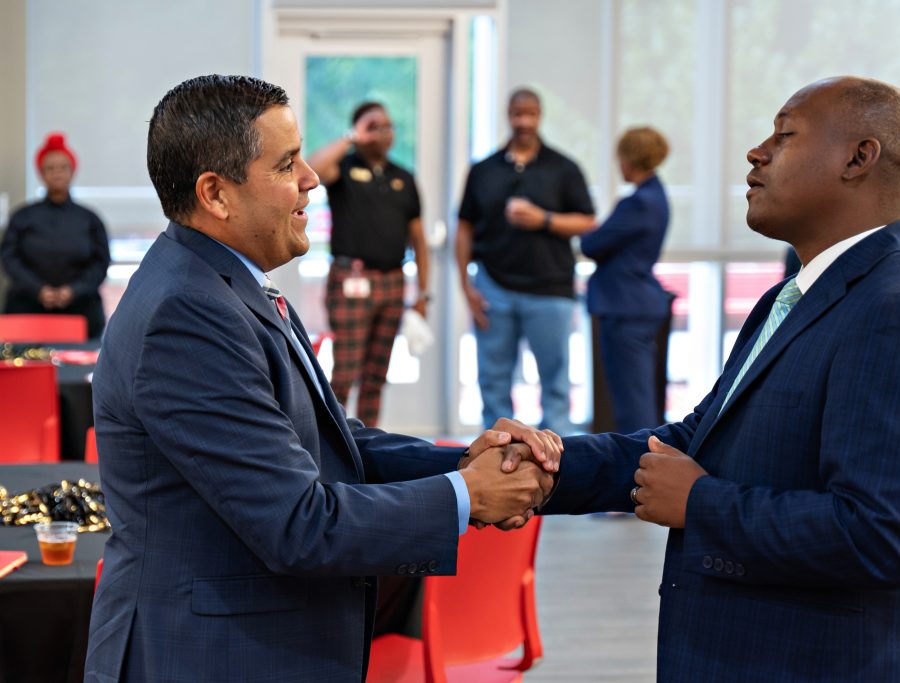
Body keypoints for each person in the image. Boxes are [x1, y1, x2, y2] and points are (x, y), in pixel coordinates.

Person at [84, 75, 560, 683]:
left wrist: (466, 463)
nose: (311, 178)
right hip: (210, 655)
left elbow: (335, 441)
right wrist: (469, 495)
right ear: (216, 194)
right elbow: (299, 524)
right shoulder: (187, 311)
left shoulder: (221, 281)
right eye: (287, 165)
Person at [536, 77, 900, 681]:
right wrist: (543, 465)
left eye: (785, 135)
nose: (756, 151)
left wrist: (701, 503)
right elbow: (693, 443)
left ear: (858, 158)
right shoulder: (788, 299)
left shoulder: (898, 311)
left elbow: (880, 536)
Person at [456, 88, 596, 436]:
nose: (524, 121)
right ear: (508, 115)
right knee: (492, 380)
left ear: (540, 115)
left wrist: (543, 219)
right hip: (494, 288)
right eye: (518, 113)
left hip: (550, 290)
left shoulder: (563, 168)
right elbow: (464, 229)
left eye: (530, 113)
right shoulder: (483, 170)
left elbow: (587, 220)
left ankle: (559, 460)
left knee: (555, 382)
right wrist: (466, 286)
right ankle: (498, 452)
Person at [308, 102, 429, 427]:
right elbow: (312, 169)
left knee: (377, 375)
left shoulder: (403, 177)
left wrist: (422, 294)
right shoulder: (343, 168)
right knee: (345, 373)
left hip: (393, 280)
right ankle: (331, 441)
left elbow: (418, 238)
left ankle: (369, 445)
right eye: (373, 125)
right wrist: (351, 137)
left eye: (387, 125)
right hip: (352, 279)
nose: (383, 132)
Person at [581, 126, 672, 433]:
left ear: (630, 158)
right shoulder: (656, 196)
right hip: (636, 305)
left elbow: (591, 245)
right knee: (636, 396)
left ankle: (639, 468)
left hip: (625, 308)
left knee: (633, 403)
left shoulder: (638, 203)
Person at [1, 133, 110, 339]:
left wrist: (73, 290)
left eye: (62, 167)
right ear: (41, 174)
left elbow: (101, 263)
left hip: (81, 309)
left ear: (72, 171)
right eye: (50, 168)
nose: (57, 173)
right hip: (27, 306)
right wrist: (39, 290)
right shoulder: (22, 217)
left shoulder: (90, 219)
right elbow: (9, 259)